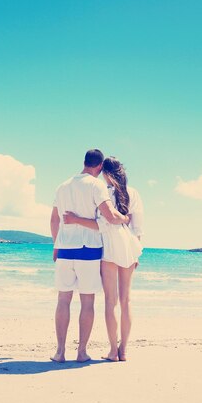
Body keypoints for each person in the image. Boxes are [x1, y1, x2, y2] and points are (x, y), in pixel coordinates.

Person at [50, 149, 130, 363]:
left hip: (65, 249)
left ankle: (59, 352)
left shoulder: (62, 186)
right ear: (99, 166)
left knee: (63, 300)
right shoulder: (96, 186)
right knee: (87, 302)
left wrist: (56, 244)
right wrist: (125, 218)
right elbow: (110, 216)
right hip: (88, 250)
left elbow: (54, 221)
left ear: (84, 162)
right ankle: (81, 352)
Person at [63, 157, 143, 362]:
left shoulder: (103, 192)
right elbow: (138, 227)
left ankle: (112, 351)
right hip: (129, 246)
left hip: (108, 247)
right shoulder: (133, 193)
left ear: (105, 173)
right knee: (126, 300)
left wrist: (75, 220)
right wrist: (137, 251)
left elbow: (101, 225)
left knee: (111, 301)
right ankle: (123, 350)